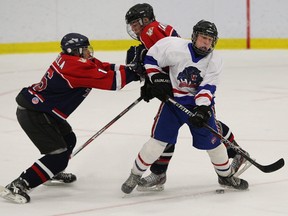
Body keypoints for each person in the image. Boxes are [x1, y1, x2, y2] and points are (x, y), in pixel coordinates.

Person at [124, 3, 250, 192]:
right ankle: (145, 173)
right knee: (160, 139)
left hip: (190, 99)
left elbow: (206, 86)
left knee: (211, 138)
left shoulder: (151, 32)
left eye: (210, 39)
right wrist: (155, 80)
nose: (206, 43)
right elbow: (155, 58)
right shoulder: (171, 42)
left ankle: (228, 167)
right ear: (194, 37)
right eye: (203, 38)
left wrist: (202, 107)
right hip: (173, 97)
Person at [0, 33, 139, 204]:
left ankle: (49, 171)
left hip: (42, 109)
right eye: (85, 49)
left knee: (68, 139)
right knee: (58, 156)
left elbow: (104, 67)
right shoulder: (75, 67)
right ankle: (19, 184)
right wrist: (137, 72)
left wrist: (132, 68)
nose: (88, 52)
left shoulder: (75, 61)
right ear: (75, 51)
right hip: (34, 113)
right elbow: (113, 82)